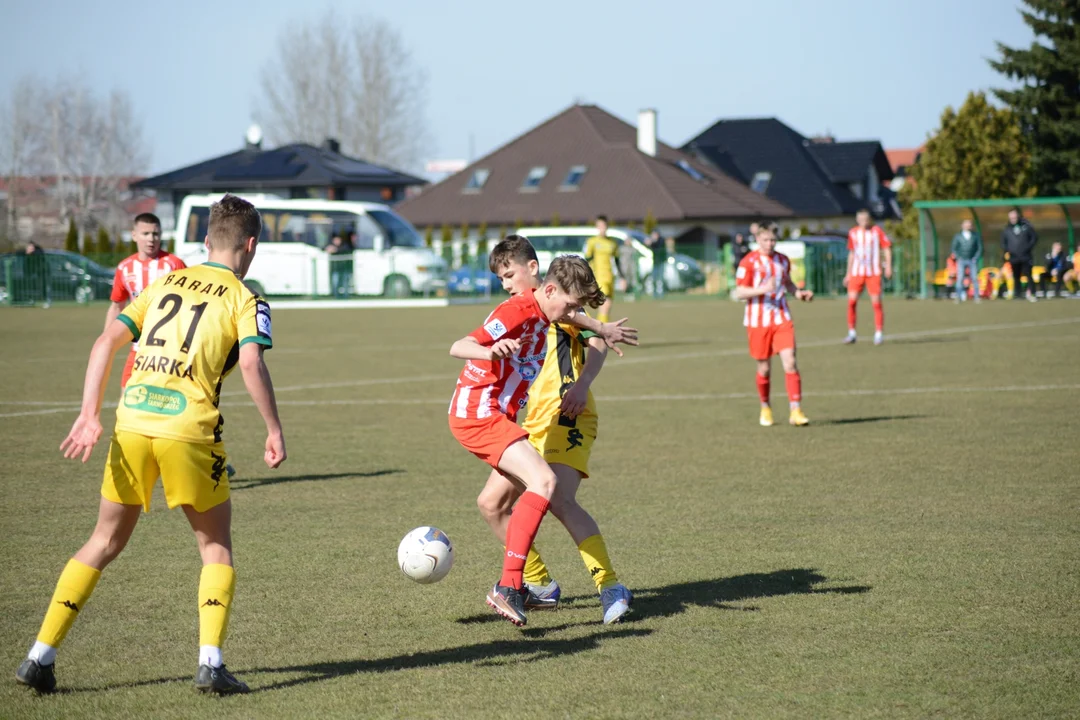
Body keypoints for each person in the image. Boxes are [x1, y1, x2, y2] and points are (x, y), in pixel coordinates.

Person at [15, 194, 285, 696]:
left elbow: (104, 344)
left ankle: (39, 656)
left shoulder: (163, 281)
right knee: (215, 548)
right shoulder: (247, 299)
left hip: (132, 422)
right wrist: (274, 429)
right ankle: (210, 663)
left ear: (206, 241)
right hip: (189, 432)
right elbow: (251, 364)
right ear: (251, 245)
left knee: (102, 543)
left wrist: (89, 414)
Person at [474, 236, 633, 625]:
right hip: (532, 422)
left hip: (568, 414)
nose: (507, 284)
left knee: (560, 500)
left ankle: (611, 586)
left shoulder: (562, 307)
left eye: (510, 274)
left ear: (535, 271)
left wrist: (582, 384)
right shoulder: (521, 312)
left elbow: (593, 337)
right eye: (501, 278)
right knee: (491, 505)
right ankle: (540, 584)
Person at [448, 253, 606, 626]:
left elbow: (570, 315)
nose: (571, 311)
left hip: (496, 416)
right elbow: (458, 346)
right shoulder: (518, 311)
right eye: (569, 303)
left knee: (494, 502)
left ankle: (531, 585)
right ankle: (509, 586)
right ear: (549, 289)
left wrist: (602, 328)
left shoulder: (545, 304)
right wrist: (491, 350)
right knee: (545, 481)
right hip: (478, 414)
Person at [734, 222, 813, 427]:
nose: (769, 244)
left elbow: (787, 283)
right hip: (757, 320)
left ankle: (795, 410)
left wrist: (799, 294)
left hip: (781, 317)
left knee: (790, 361)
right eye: (765, 240)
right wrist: (762, 290)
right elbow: (740, 292)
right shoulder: (748, 262)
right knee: (764, 368)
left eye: (773, 240)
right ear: (758, 240)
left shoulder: (782, 260)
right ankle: (765, 407)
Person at [107, 213, 187, 388]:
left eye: (155, 234)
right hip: (138, 348)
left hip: (169, 350)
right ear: (134, 235)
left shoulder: (174, 265)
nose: (151, 239)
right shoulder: (124, 268)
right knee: (126, 396)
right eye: (146, 234)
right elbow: (116, 306)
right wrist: (107, 342)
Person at [843, 209, 892, 345]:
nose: (864, 222)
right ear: (857, 220)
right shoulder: (853, 233)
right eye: (861, 220)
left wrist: (888, 266)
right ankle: (851, 333)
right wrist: (848, 273)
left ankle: (878, 333)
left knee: (876, 303)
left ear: (869, 220)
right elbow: (852, 253)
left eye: (866, 219)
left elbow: (887, 248)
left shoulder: (877, 231)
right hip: (857, 272)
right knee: (851, 302)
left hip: (873, 273)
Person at [583, 215, 619, 322]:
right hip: (599, 276)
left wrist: (622, 277)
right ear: (597, 227)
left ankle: (600, 329)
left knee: (608, 305)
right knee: (605, 305)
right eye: (600, 226)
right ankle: (602, 331)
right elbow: (587, 259)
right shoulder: (592, 242)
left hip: (610, 277)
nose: (602, 228)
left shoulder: (612, 243)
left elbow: (617, 261)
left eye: (604, 226)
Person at [1001, 207, 1038, 302]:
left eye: (1014, 216)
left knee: (1028, 275)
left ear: (1018, 216)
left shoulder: (1026, 226)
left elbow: (1034, 238)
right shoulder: (1007, 229)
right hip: (1014, 257)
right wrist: (1008, 250)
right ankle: (1018, 294)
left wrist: (1027, 248)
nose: (1013, 218)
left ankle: (1032, 293)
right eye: (1011, 217)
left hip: (1025, 256)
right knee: (1016, 276)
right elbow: (1003, 242)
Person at [950, 219, 982, 303]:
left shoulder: (975, 236)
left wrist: (975, 257)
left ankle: (976, 297)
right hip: (961, 260)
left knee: (974, 278)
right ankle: (958, 297)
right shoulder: (958, 236)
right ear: (962, 226)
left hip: (972, 260)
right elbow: (954, 248)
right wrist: (958, 257)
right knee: (960, 278)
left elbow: (979, 248)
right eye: (966, 224)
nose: (967, 226)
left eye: (969, 224)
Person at [325, 232, 355, 298]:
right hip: (335, 269)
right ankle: (336, 297)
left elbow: (347, 250)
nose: (337, 241)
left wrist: (336, 250)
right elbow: (324, 249)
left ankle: (346, 297)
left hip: (344, 269)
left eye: (338, 240)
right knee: (335, 283)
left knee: (345, 283)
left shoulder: (344, 246)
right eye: (335, 240)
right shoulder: (330, 247)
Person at [24, 241, 51, 308]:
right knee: (29, 287)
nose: (29, 248)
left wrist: (32, 252)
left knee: (42, 287)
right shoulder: (27, 255)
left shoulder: (38, 251)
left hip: (40, 273)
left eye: (31, 247)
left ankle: (46, 301)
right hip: (30, 273)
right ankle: (31, 300)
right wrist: (28, 253)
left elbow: (40, 254)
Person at [645, 229, 667, 298]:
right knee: (654, 278)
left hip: (661, 262)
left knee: (660, 279)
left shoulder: (661, 240)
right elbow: (651, 247)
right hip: (655, 263)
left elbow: (658, 246)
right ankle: (655, 294)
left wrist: (651, 243)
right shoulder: (653, 242)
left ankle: (661, 294)